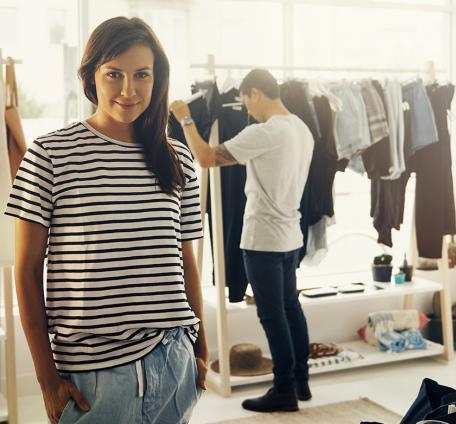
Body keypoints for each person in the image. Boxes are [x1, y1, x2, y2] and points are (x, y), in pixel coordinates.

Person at [4, 17, 206, 423]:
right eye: (114, 74)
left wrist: (201, 351)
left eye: (142, 75)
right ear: (91, 75)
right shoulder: (50, 155)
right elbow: (26, 272)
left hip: (174, 359)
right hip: (93, 375)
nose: (129, 90)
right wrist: (46, 379)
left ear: (157, 79)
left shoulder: (178, 159)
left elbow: (186, 261)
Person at [170, 68, 314, 413]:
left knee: (272, 314)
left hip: (263, 237)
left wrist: (185, 118)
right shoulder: (301, 129)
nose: (247, 109)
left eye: (247, 101)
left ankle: (283, 390)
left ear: (254, 93)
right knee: (290, 308)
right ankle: (300, 381)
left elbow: (205, 158)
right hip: (290, 234)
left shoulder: (265, 132)